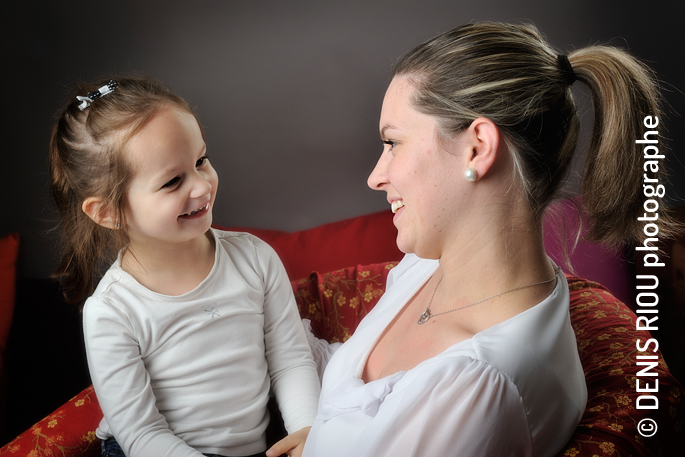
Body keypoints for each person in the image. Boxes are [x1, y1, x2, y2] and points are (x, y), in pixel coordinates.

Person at [269, 22, 680, 457]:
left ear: (477, 148)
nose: (376, 176)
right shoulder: (426, 267)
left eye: (393, 142)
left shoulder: (477, 384)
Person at [48, 77, 320, 457]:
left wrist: (307, 429)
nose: (201, 186)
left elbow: (290, 360)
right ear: (108, 213)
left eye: (201, 161)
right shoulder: (112, 311)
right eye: (173, 181)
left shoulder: (255, 259)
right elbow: (141, 433)